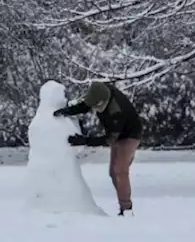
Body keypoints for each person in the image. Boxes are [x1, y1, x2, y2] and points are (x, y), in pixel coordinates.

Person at [54, 81, 143, 215]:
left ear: (104, 101)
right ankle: (123, 205)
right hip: (117, 133)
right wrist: (69, 111)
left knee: (120, 171)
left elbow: (109, 139)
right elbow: (86, 105)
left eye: (97, 106)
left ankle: (127, 209)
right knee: (113, 173)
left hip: (130, 135)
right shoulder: (99, 92)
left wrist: (84, 140)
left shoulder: (116, 111)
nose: (95, 108)